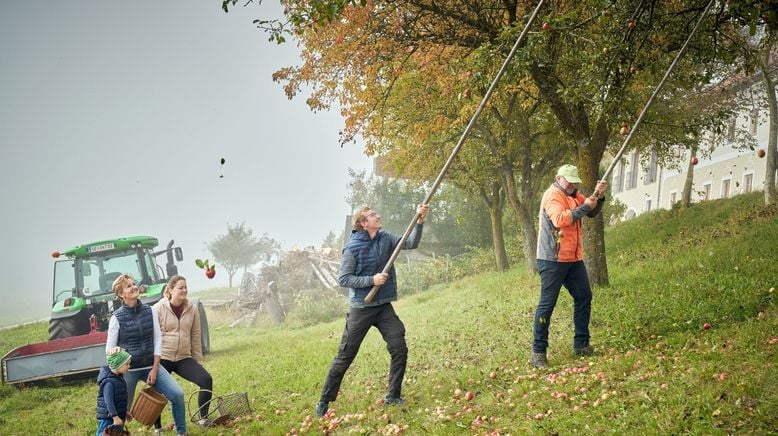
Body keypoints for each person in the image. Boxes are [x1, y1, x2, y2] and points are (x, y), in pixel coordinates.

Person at [315, 204, 430, 417]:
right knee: (346, 355)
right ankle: (324, 400)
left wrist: (420, 220)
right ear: (363, 223)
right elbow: (344, 279)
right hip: (362, 308)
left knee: (399, 347)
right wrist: (372, 280)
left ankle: (392, 395)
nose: (378, 216)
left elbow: (411, 242)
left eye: (376, 213)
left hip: (383, 306)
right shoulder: (352, 247)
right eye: (372, 215)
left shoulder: (385, 237)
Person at [531, 164, 607, 369]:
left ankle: (581, 345)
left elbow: (591, 212)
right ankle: (538, 353)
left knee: (584, 296)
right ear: (559, 178)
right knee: (547, 305)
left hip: (573, 259)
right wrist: (586, 207)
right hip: (552, 260)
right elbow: (561, 219)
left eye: (575, 181)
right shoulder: (553, 195)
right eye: (569, 180)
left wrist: (598, 197)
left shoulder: (574, 194)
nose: (573, 184)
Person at [106, 273, 188, 435]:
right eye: (128, 286)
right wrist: (114, 353)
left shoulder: (149, 311)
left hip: (151, 365)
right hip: (128, 371)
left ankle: (182, 432)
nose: (134, 287)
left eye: (133, 284)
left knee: (177, 395)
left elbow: (157, 340)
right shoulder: (116, 318)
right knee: (122, 410)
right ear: (121, 294)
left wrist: (155, 368)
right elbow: (109, 348)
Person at [153, 275, 214, 431]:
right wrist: (153, 363)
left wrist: (197, 361)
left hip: (183, 358)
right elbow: (152, 337)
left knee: (206, 379)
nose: (185, 290)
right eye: (181, 287)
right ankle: (158, 428)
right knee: (156, 390)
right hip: (163, 357)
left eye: (186, 287)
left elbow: (195, 335)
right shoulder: (158, 308)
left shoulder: (192, 308)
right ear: (170, 290)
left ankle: (203, 418)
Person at [96, 347, 132, 436]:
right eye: (126, 364)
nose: (129, 366)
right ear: (117, 364)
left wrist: (125, 412)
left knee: (116, 434)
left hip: (118, 416)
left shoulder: (118, 378)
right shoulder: (109, 382)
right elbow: (109, 402)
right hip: (108, 418)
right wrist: (115, 417)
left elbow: (119, 399)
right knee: (103, 434)